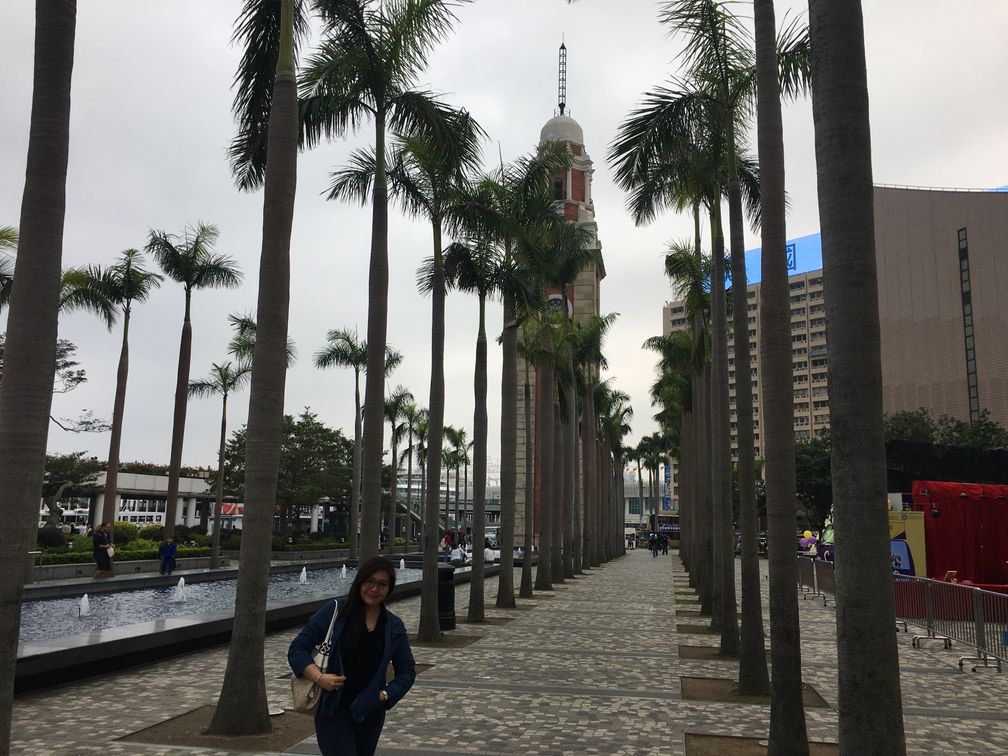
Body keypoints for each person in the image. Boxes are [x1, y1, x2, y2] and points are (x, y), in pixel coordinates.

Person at [288, 556, 416, 756]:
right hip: (333, 709)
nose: (374, 589)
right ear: (360, 581)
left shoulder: (393, 626)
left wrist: (384, 696)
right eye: (370, 582)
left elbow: (407, 672)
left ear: (389, 589)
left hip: (370, 712)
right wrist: (320, 678)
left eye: (382, 584)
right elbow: (297, 650)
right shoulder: (335, 612)